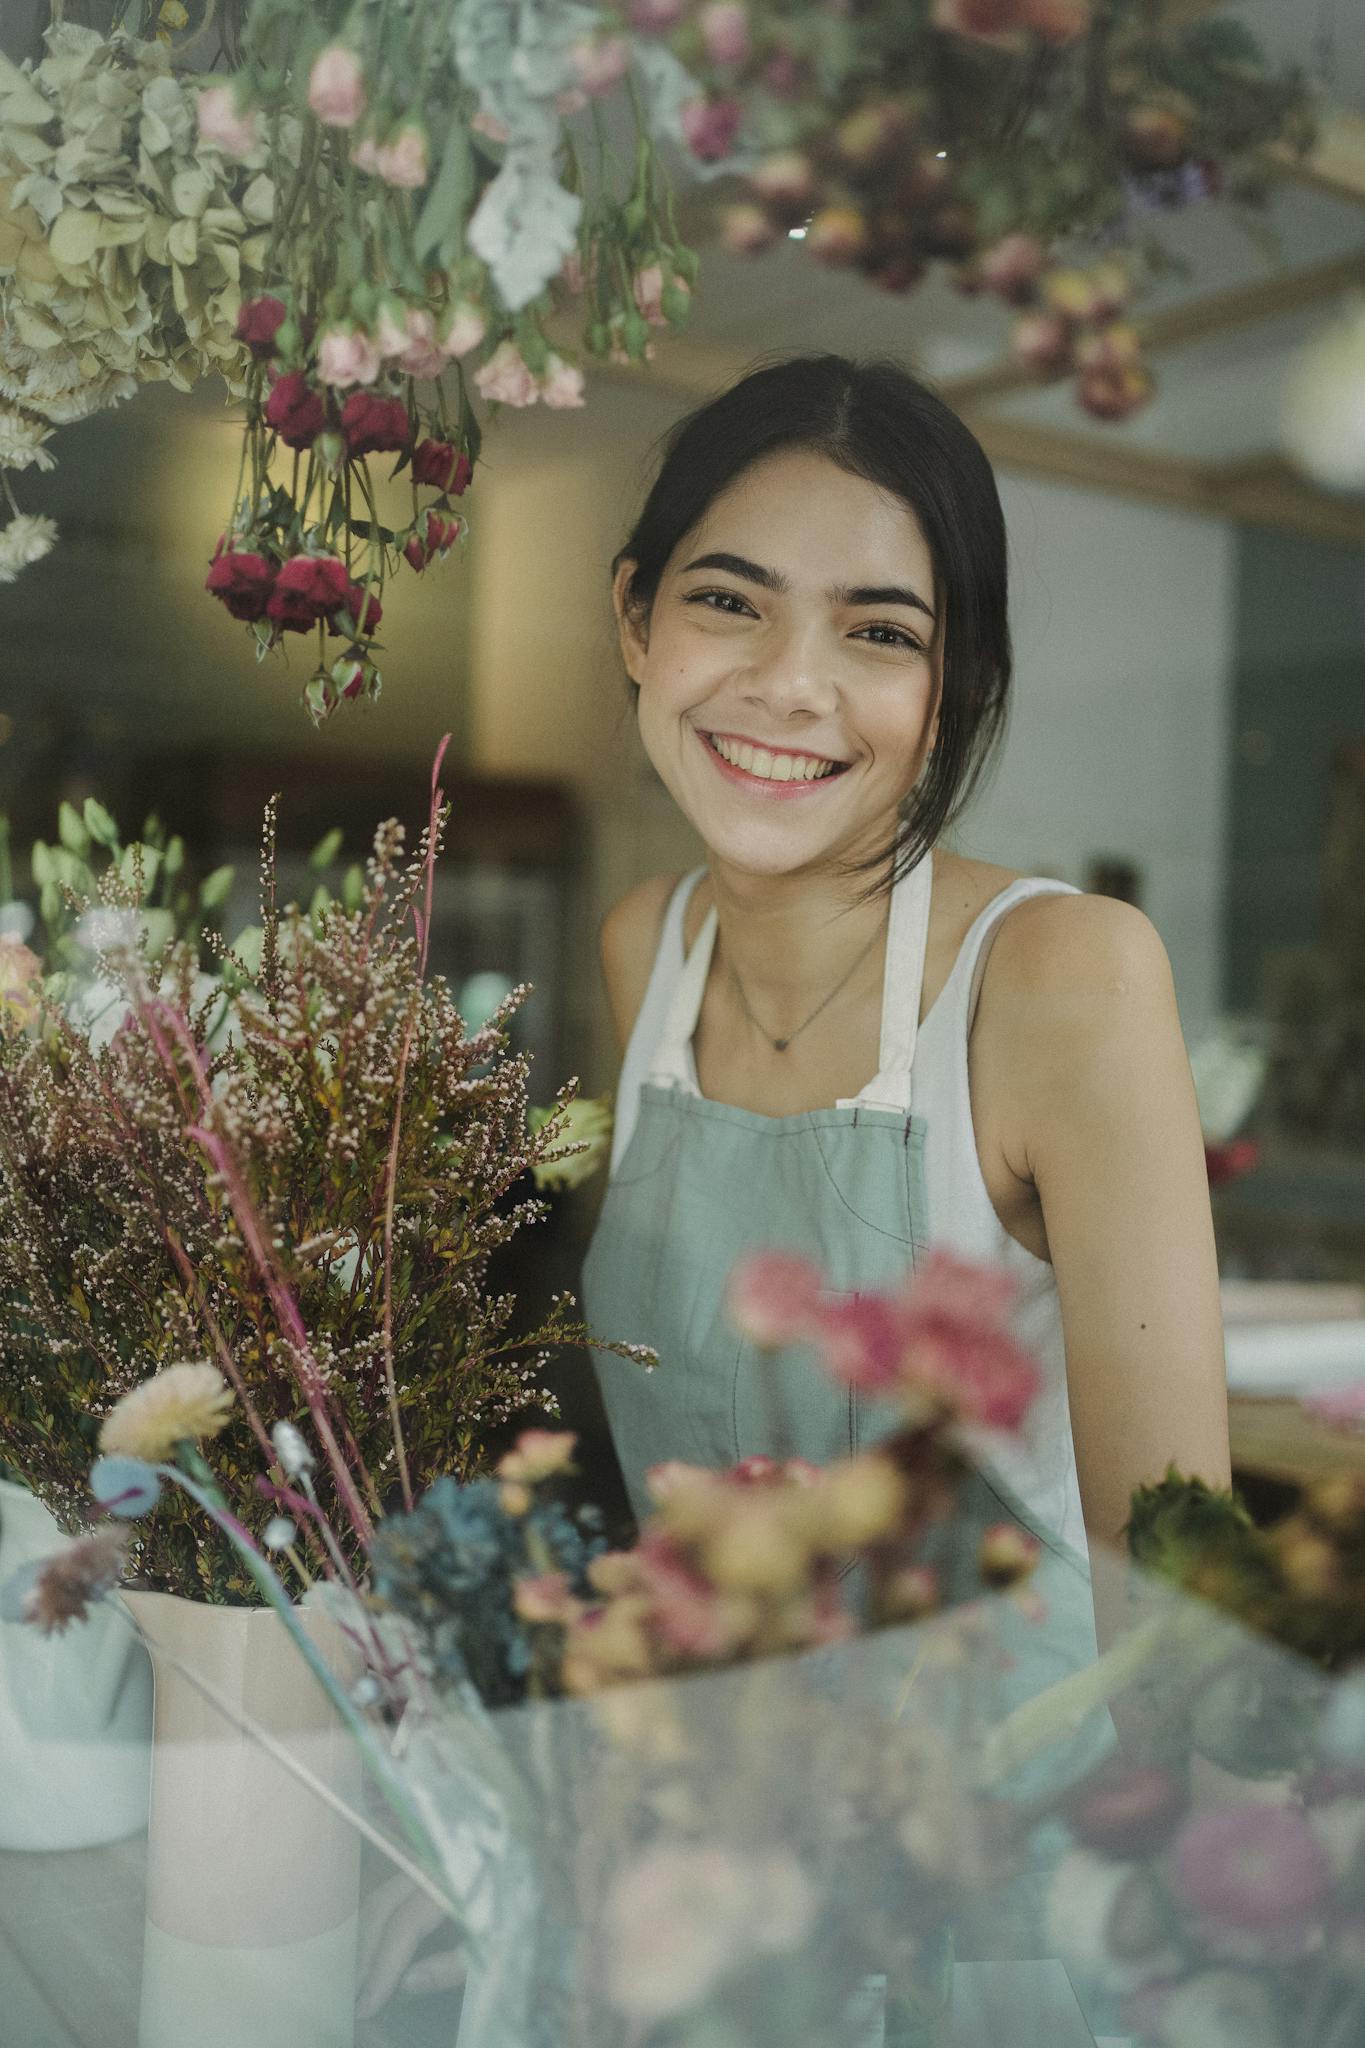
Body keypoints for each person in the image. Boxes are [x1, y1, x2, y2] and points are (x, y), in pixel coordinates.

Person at [584, 350, 1231, 1664]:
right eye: (728, 601)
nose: (790, 686)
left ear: (955, 695)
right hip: (715, 1800)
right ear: (636, 621)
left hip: (1009, 1811)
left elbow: (1176, 1557)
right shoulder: (645, 947)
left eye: (878, 632)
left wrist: (1188, 1851)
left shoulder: (1063, 974)